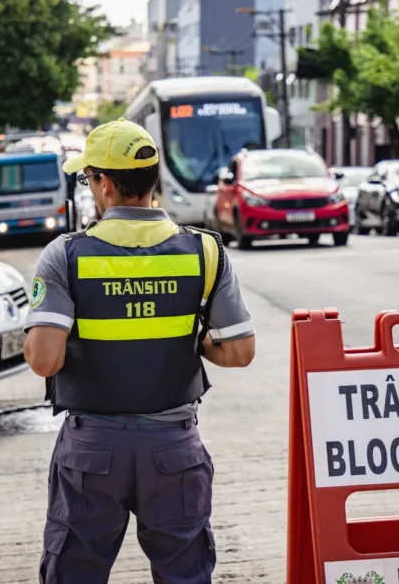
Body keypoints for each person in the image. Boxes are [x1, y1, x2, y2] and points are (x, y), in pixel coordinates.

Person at [23, 118, 256, 584]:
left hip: (92, 451)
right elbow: (240, 351)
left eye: (88, 179)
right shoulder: (205, 252)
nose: (89, 189)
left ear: (105, 183)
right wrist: (191, 339)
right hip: (173, 447)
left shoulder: (65, 255)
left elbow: (43, 360)